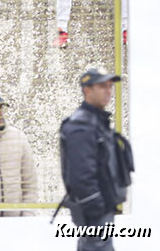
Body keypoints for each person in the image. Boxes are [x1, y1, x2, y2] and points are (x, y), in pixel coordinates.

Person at [60, 68, 134, 250]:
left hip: (103, 207)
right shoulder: (81, 125)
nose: (108, 91)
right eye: (102, 86)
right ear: (87, 90)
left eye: (110, 86)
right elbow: (81, 174)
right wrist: (96, 205)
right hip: (94, 210)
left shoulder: (95, 121)